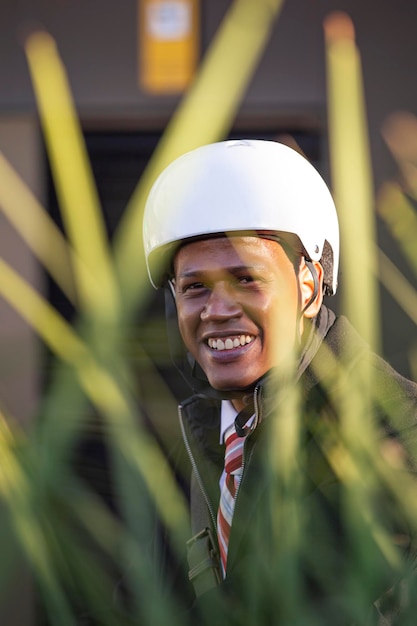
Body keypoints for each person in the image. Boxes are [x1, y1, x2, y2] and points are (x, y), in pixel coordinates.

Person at [142, 139, 417, 625]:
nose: (217, 311)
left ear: (309, 287)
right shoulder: (203, 434)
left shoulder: (397, 434)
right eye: (194, 287)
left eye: (247, 278)